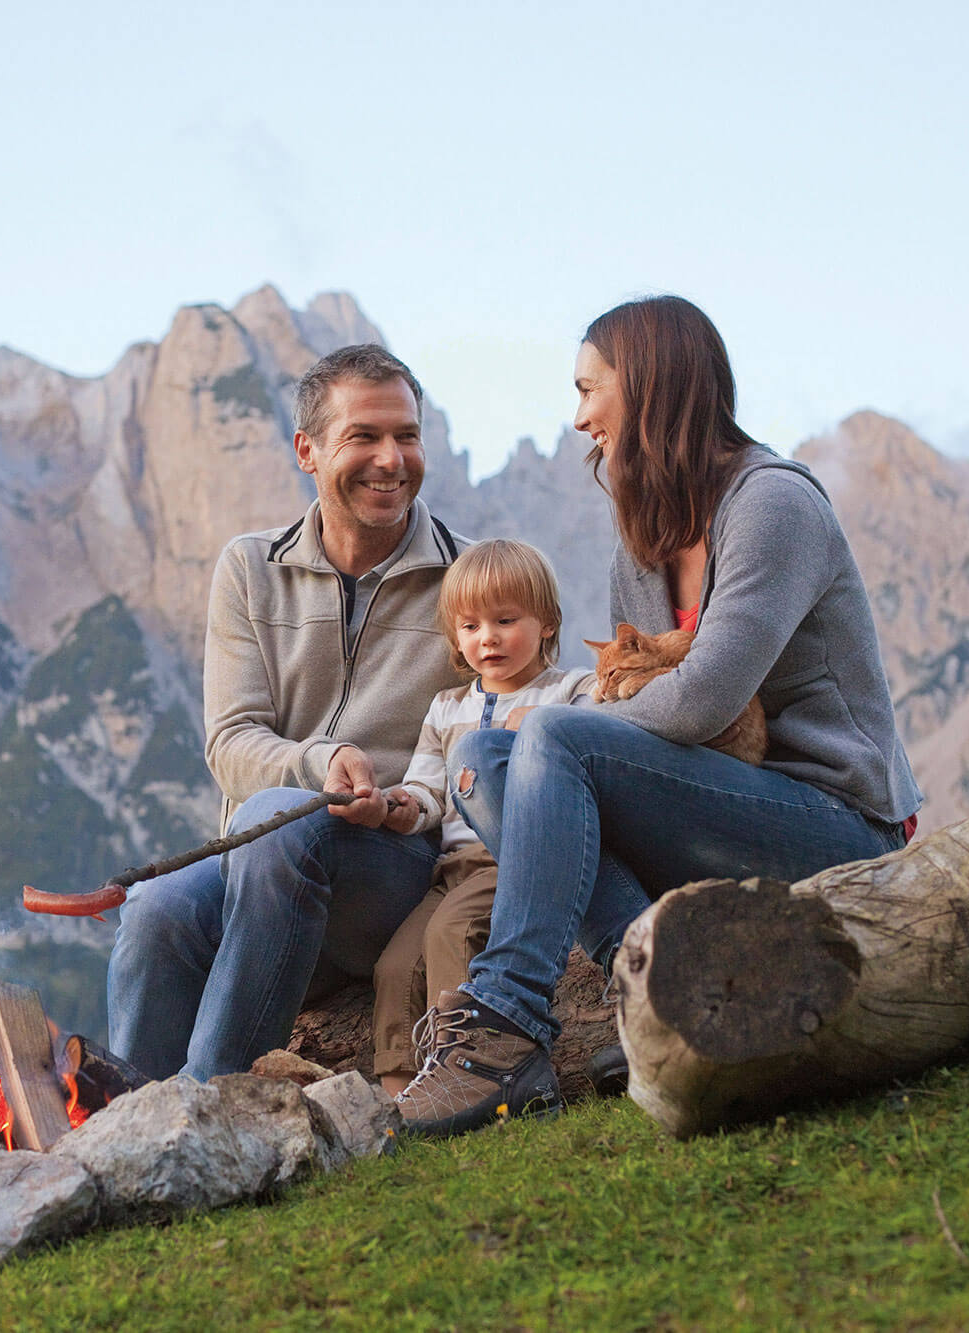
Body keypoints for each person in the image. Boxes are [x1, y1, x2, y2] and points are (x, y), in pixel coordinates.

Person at [397, 295, 925, 1137]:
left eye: (588, 389)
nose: (577, 419)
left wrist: (564, 743)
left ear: (646, 388)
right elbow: (643, 711)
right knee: (479, 760)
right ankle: (650, 995)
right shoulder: (639, 544)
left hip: (838, 827)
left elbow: (708, 697)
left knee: (549, 735)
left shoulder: (772, 504)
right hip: (710, 812)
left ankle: (503, 1026)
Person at [106, 343, 472, 1081]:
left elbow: (506, 720)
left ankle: (212, 1105)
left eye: (406, 435)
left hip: (396, 870)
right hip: (265, 873)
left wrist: (405, 802)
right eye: (363, 437)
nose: (391, 459)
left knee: (279, 818)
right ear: (307, 450)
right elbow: (232, 740)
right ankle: (124, 1133)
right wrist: (320, 764)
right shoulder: (249, 567)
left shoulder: (470, 578)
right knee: (153, 909)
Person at [371, 539, 594, 1097]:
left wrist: (545, 730)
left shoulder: (570, 691)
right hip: (451, 869)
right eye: (469, 626)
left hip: (513, 858)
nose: (487, 638)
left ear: (547, 624)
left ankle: (465, 1075)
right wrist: (400, 807)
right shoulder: (446, 708)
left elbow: (597, 758)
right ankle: (399, 1093)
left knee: (451, 933)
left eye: (505, 620)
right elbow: (426, 789)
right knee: (395, 966)